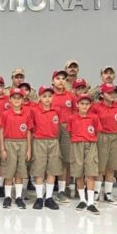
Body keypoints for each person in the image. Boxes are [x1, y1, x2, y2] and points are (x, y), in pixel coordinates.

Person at [0, 88, 33, 209]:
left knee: (20, 171)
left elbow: (28, 132)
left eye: (19, 98)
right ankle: (7, 197)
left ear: (23, 99)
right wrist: (2, 148)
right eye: (14, 98)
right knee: (9, 171)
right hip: (9, 143)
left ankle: (18, 197)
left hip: (22, 143)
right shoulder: (5, 114)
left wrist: (29, 149)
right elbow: (1, 131)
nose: (17, 100)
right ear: (10, 99)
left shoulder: (27, 114)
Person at [30, 85, 62, 210]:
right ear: (40, 97)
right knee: (39, 169)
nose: (47, 99)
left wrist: (54, 139)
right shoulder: (35, 110)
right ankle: (39, 197)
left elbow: (58, 127)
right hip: (39, 142)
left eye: (49, 96)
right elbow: (31, 127)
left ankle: (48, 197)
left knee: (52, 170)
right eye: (44, 96)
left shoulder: (57, 110)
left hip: (53, 142)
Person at [68, 94, 101, 215]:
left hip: (91, 144)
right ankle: (82, 199)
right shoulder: (72, 118)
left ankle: (91, 202)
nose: (84, 106)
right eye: (82, 103)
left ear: (90, 105)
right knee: (79, 172)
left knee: (91, 173)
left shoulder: (94, 117)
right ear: (77, 104)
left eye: (87, 104)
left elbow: (97, 131)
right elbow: (70, 131)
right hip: (77, 144)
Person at [91, 83, 117, 203]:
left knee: (112, 165)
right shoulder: (96, 107)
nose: (112, 95)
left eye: (113, 92)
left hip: (115, 136)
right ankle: (96, 192)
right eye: (109, 93)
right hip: (101, 136)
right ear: (102, 94)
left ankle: (108, 193)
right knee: (100, 166)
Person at [51, 69, 77, 202]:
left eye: (63, 79)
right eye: (58, 78)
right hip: (52, 129)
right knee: (51, 157)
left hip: (66, 128)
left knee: (65, 159)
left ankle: (62, 189)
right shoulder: (48, 96)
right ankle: (47, 189)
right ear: (52, 81)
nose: (61, 81)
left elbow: (75, 112)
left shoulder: (70, 96)